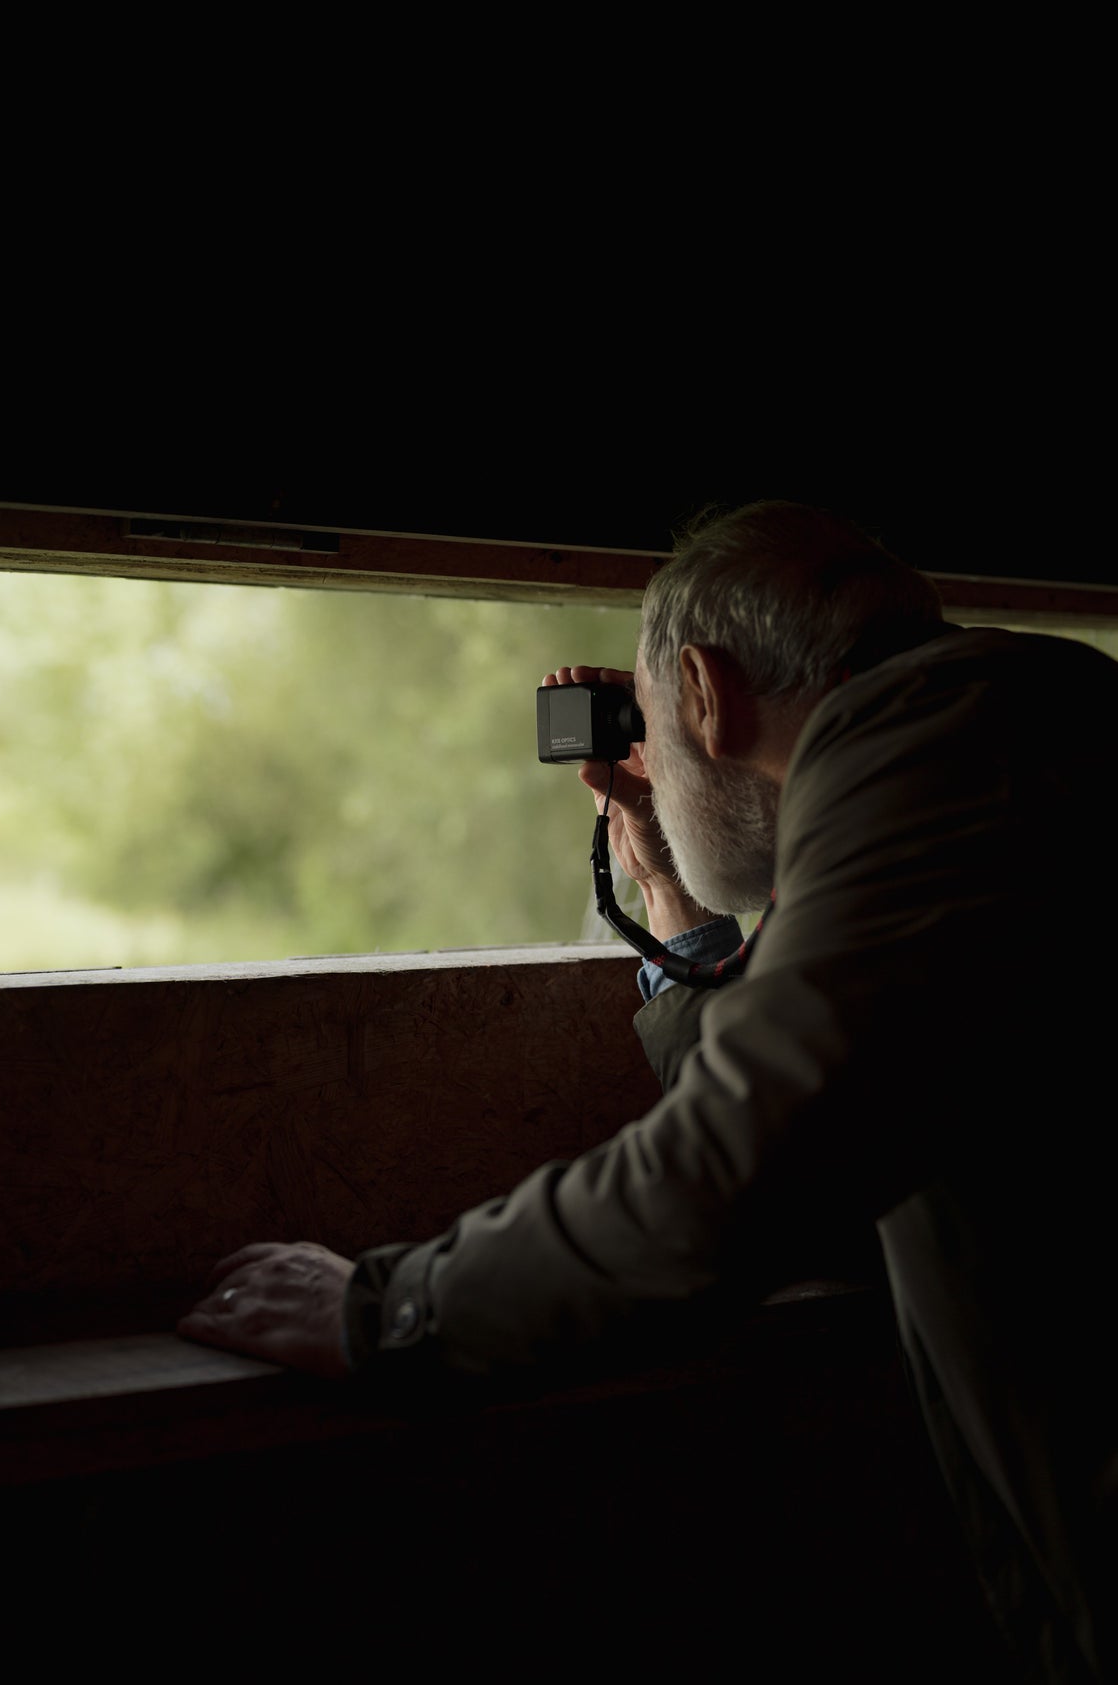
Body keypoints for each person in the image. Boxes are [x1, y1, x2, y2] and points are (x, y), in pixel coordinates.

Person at [178, 500, 1115, 1682]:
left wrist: (389, 1313)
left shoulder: (934, 744)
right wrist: (674, 913)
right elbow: (838, 1131)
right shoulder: (1022, 733)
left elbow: (727, 1178)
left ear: (704, 695)